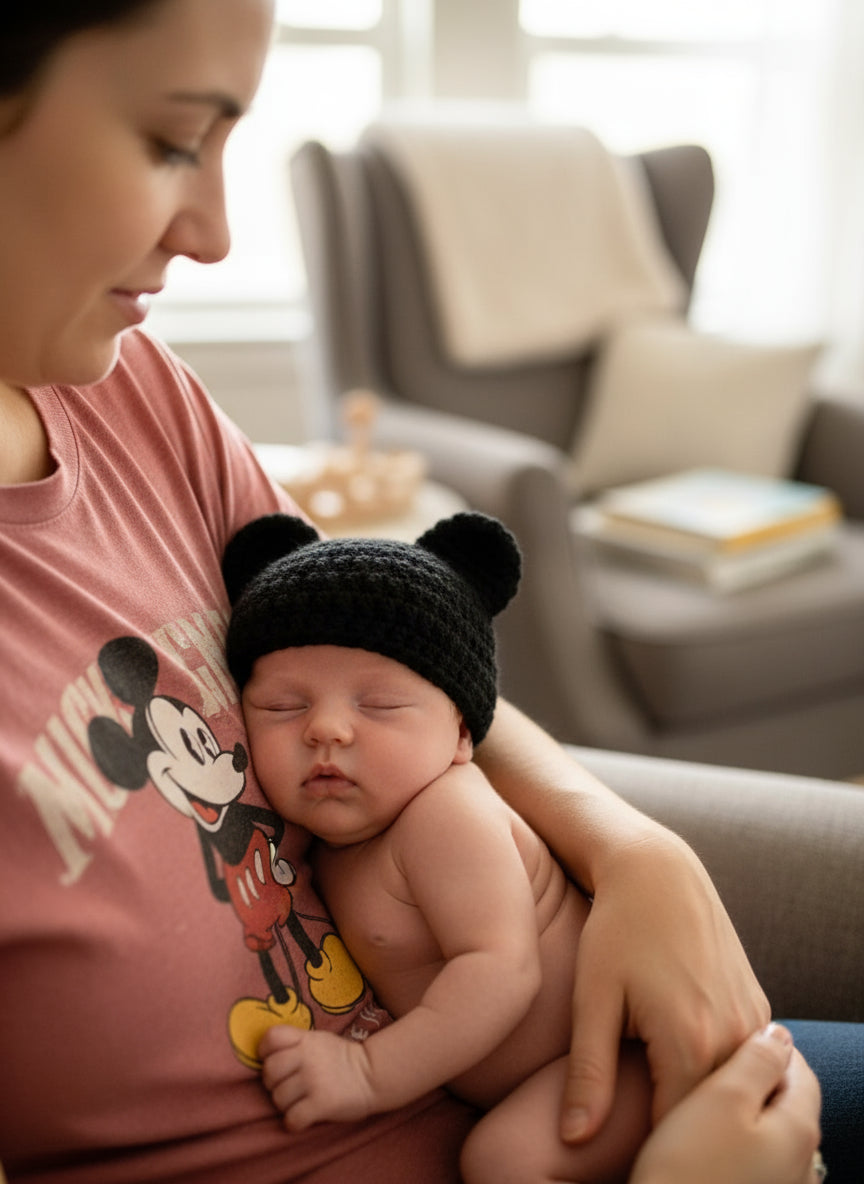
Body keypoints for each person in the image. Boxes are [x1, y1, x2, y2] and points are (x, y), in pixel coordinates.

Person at [0, 2, 854, 1181]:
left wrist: (636, 851)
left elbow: (416, 663)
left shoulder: (134, 393)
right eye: (171, 140)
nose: (217, 234)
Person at [223, 510, 653, 1183]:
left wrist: (368, 1072)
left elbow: (501, 967)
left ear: (460, 733)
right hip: (528, 1082)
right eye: (282, 706)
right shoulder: (329, 839)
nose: (327, 729)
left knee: (504, 1161)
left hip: (612, 1062)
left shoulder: (446, 811)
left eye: (381, 705)